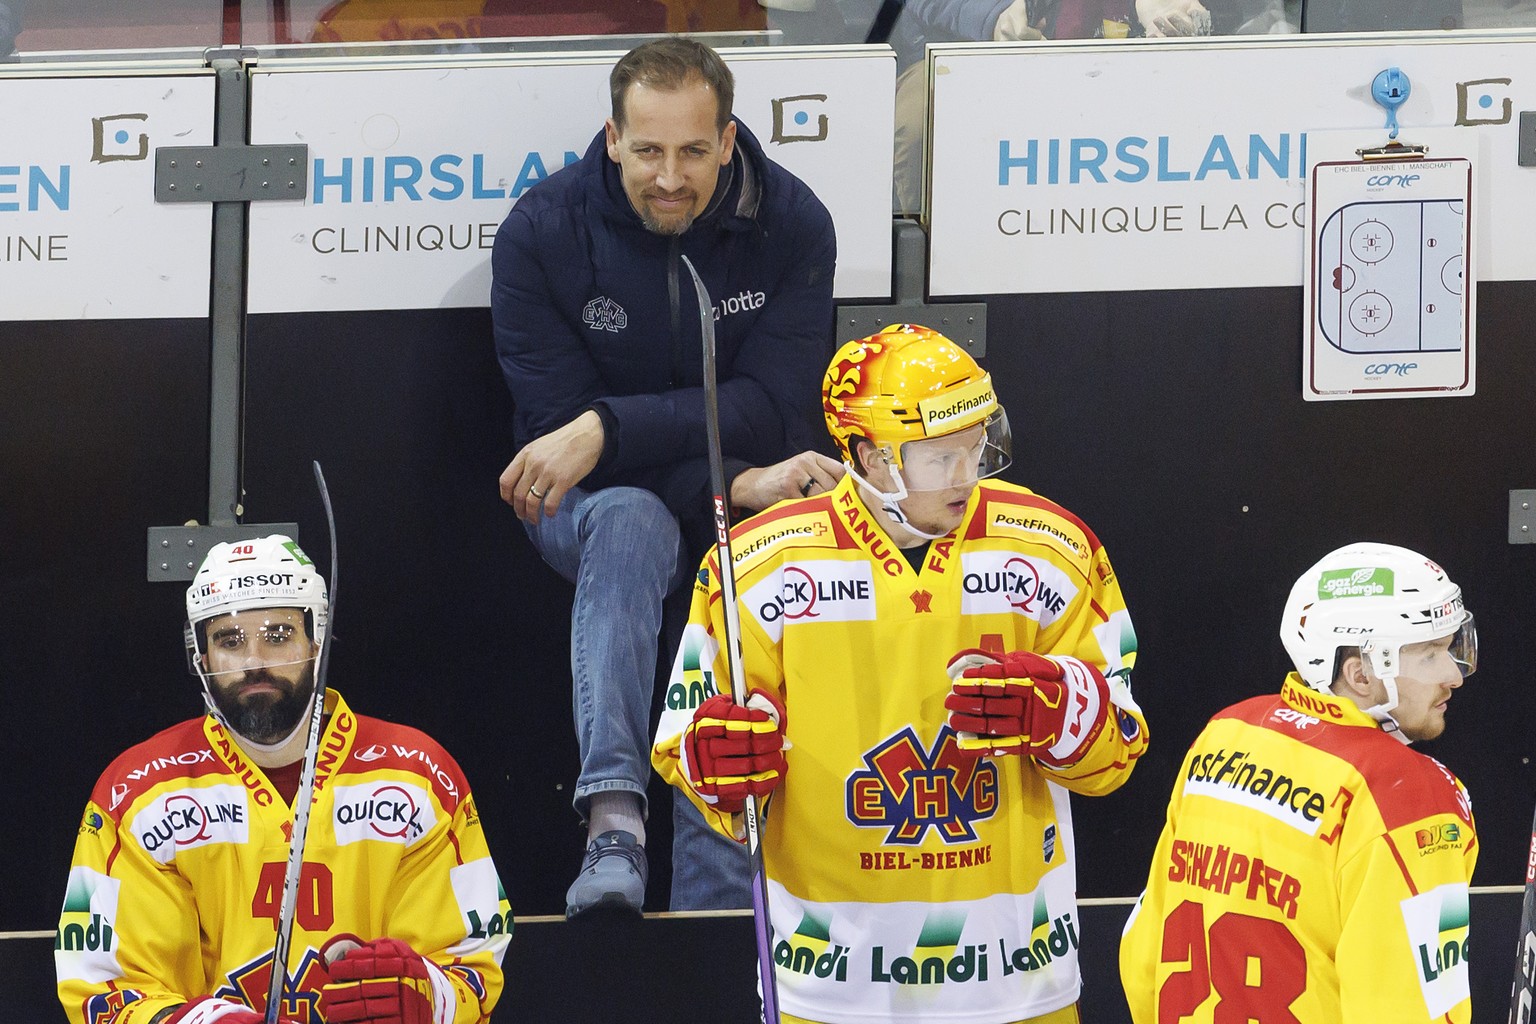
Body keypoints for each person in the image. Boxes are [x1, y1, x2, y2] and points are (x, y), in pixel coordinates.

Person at [653, 323, 1150, 1024]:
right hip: (830, 982)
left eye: (977, 447)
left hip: (1016, 976)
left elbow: (1120, 746)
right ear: (867, 455)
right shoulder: (756, 566)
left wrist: (1062, 711)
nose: (967, 475)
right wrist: (721, 772)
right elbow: (693, 754)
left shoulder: (1054, 546)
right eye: (940, 456)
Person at [490, 36, 841, 918]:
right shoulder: (541, 232)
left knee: (753, 544)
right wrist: (722, 481)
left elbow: (771, 404)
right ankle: (614, 819)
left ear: (728, 140)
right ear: (612, 138)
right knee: (638, 519)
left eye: (692, 151)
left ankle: (726, 895)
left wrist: (610, 427)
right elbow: (554, 440)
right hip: (593, 509)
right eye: (648, 151)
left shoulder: (795, 222)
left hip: (738, 493)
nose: (671, 178)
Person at [55, 535, 510, 1024]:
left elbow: (474, 960)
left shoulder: (420, 776)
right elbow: (100, 985)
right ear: (201, 657)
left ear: (316, 643)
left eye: (277, 636)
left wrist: (431, 997)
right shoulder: (134, 792)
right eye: (230, 640)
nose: (254, 661)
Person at [1120, 542, 1479, 1023]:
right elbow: (1411, 1009)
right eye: (1431, 655)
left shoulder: (1225, 732)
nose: (1454, 675)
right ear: (1361, 674)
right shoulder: (1411, 798)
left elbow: (1145, 951)